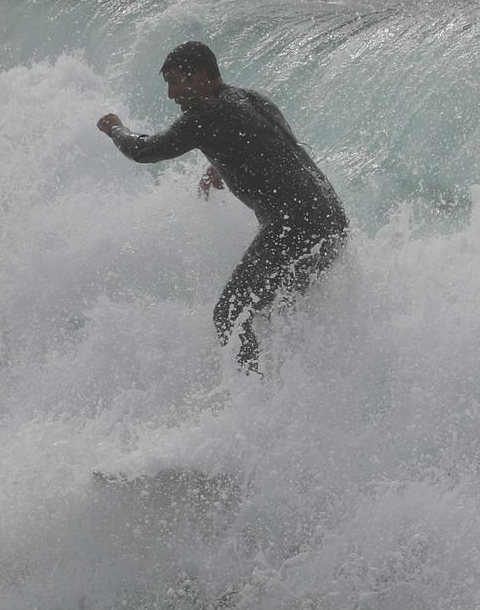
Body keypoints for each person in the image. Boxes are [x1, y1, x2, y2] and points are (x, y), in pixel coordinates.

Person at [97, 41, 348, 372]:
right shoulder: (254, 99)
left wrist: (115, 128)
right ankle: (299, 385)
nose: (171, 94)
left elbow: (146, 150)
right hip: (331, 219)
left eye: (175, 81)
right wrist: (220, 165)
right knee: (279, 309)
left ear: (200, 77)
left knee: (230, 312)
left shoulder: (205, 115)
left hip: (293, 226)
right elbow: (276, 146)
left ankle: (254, 396)